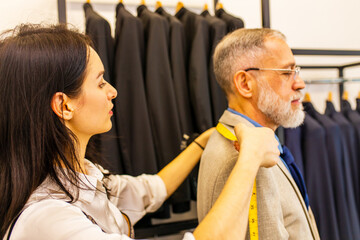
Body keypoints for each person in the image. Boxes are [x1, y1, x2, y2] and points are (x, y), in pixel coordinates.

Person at [0, 24, 280, 240]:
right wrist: (250, 159)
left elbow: (152, 189)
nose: (113, 91)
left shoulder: (83, 176)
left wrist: (202, 142)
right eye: (100, 84)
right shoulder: (48, 220)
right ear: (64, 105)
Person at [197, 28, 321, 240]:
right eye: (286, 72)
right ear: (245, 84)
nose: (299, 83)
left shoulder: (256, 143)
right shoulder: (244, 158)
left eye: (296, 70)